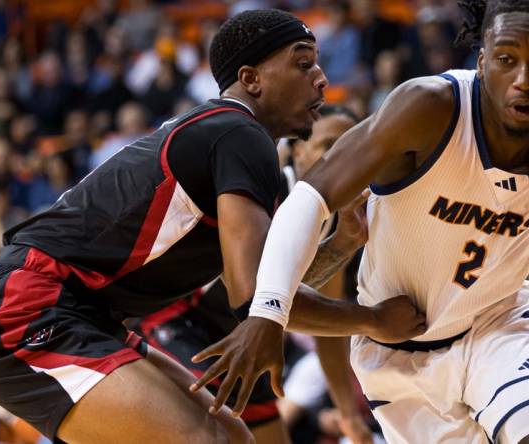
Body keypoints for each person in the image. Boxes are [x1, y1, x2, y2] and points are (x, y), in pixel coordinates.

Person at [195, 2, 529, 443]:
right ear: (482, 61)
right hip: (398, 351)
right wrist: (269, 311)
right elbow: (310, 198)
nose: (524, 79)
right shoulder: (430, 106)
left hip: (495, 328)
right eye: (506, 59)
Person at [0, 10, 425, 444]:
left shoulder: (234, 141)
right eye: (303, 64)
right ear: (251, 79)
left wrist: (342, 243)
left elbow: (270, 296)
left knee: (237, 439)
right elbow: (256, 300)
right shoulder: (240, 134)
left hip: (84, 313)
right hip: (27, 309)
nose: (321, 79)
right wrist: (375, 320)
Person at [134, 105, 373, 444]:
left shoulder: (335, 214)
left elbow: (326, 323)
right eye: (327, 145)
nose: (339, 158)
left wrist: (348, 414)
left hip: (245, 336)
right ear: (297, 149)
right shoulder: (268, 191)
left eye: (348, 148)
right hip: (182, 318)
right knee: (214, 434)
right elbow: (266, 297)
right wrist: (374, 318)